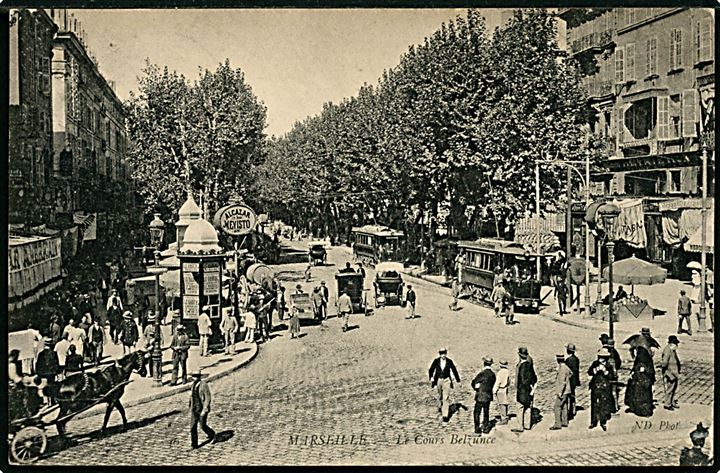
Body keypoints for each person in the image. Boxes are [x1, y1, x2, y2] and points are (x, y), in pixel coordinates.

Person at [624, 333, 656, 417]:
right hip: (639, 378)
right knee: (636, 393)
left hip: (642, 379)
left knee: (641, 395)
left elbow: (641, 366)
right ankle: (635, 408)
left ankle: (642, 411)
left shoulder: (642, 355)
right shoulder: (644, 354)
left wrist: (638, 371)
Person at [428, 347, 461, 423]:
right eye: (441, 353)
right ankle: (442, 406)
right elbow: (431, 369)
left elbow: (454, 370)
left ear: (446, 354)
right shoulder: (436, 361)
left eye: (444, 353)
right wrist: (431, 377)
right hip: (439, 380)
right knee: (441, 396)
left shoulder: (449, 361)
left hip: (447, 380)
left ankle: (445, 415)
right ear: (439, 354)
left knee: (446, 397)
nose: (443, 355)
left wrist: (458, 381)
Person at [588, 348, 616, 431]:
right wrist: (595, 370)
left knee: (603, 405)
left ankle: (603, 422)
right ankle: (593, 422)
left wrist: (605, 371)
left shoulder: (608, 365)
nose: (600, 358)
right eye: (600, 356)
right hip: (595, 386)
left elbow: (611, 377)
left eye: (602, 357)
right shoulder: (595, 363)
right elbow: (589, 372)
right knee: (594, 404)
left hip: (604, 387)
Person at [511, 347, 537, 433]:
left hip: (522, 390)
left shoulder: (521, 366)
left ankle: (520, 426)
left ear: (519, 355)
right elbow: (534, 378)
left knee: (520, 407)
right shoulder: (529, 365)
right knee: (528, 407)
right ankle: (527, 425)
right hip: (529, 390)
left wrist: (520, 388)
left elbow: (522, 380)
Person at [189, 369, 216, 449]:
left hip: (201, 409)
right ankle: (194, 445)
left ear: (199, 377)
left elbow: (208, 397)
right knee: (192, 427)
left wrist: (205, 409)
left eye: (196, 376)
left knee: (202, 426)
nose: (194, 378)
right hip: (194, 409)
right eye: (193, 376)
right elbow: (192, 396)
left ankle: (212, 434)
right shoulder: (193, 385)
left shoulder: (203, 385)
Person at [472, 356, 496, 434]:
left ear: (484, 363)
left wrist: (476, 389)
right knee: (486, 412)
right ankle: (486, 428)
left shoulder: (482, 374)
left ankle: (477, 428)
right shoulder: (492, 374)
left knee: (477, 412)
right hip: (488, 396)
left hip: (480, 396)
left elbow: (474, 382)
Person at [550, 353, 572, 430]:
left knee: (557, 407)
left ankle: (557, 424)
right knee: (564, 406)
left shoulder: (562, 369)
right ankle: (565, 421)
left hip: (562, 391)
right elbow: (571, 373)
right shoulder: (565, 367)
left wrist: (560, 392)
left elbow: (562, 382)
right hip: (567, 391)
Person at [661, 335, 682, 411]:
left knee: (674, 388)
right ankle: (667, 404)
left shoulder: (672, 350)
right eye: (676, 344)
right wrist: (666, 372)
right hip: (670, 373)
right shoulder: (667, 351)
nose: (677, 346)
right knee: (669, 389)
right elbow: (664, 363)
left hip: (674, 373)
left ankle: (672, 402)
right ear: (671, 344)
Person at [565, 344, 580, 420]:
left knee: (569, 396)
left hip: (570, 380)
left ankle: (570, 411)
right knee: (573, 395)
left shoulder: (568, 360)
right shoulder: (576, 359)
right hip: (574, 380)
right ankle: (573, 409)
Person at [493, 360, 511, 425]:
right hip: (505, 388)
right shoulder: (507, 371)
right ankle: (506, 415)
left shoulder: (500, 372)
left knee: (501, 404)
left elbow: (498, 382)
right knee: (505, 403)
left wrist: (494, 390)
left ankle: (503, 418)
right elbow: (509, 381)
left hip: (500, 389)